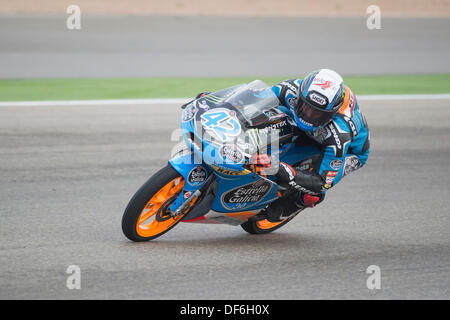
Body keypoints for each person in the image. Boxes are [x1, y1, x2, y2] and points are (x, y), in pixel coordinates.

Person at [261, 69, 370, 222]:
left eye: (317, 113)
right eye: (306, 107)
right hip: (316, 133)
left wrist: (279, 168)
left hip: (350, 151)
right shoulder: (290, 88)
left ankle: (297, 203)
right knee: (272, 114)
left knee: (312, 192)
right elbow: (257, 98)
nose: (309, 115)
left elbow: (320, 182)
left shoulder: (339, 133)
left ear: (331, 114)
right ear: (300, 96)